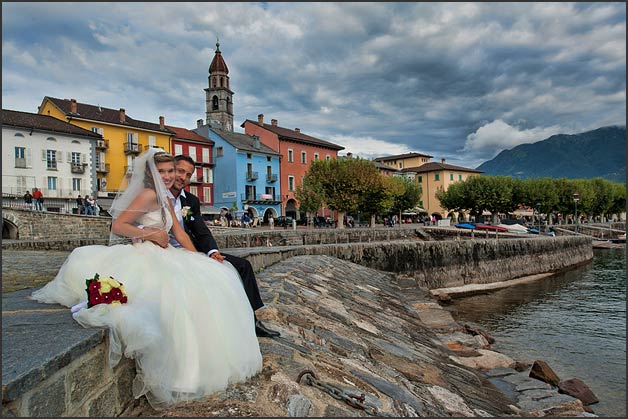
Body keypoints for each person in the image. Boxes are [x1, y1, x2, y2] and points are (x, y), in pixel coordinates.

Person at [30, 149, 262, 409]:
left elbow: (179, 232)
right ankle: (184, 370)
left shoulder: (164, 197)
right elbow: (118, 226)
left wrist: (199, 257)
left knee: (215, 276)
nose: (168, 176)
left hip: (169, 252)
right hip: (146, 253)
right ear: (151, 173)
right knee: (174, 296)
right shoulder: (148, 194)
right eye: (162, 171)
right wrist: (148, 233)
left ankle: (198, 364)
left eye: (170, 171)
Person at [166, 154, 280, 338]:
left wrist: (212, 252)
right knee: (217, 278)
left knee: (243, 266)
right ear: (171, 170)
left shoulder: (191, 201)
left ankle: (253, 321)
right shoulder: (157, 196)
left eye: (188, 175)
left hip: (191, 250)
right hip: (169, 253)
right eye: (180, 171)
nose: (183, 178)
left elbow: (201, 230)